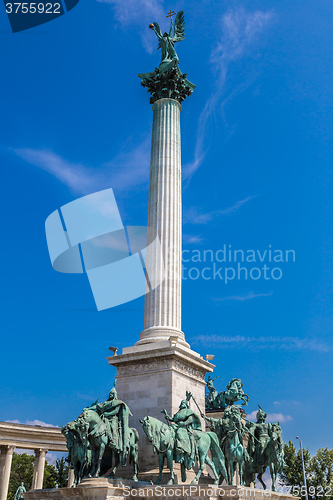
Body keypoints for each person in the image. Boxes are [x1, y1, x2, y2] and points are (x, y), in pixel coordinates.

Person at [84, 383, 132, 464]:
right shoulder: (105, 403)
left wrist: (107, 414)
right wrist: (88, 409)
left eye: (112, 393)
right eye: (110, 393)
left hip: (113, 419)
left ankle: (113, 441)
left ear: (115, 395)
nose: (111, 395)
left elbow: (116, 411)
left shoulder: (117, 402)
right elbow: (96, 406)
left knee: (112, 428)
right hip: (104, 419)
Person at [162, 398, 201, 468]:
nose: (182, 404)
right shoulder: (179, 412)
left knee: (179, 433)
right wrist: (168, 417)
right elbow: (174, 419)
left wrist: (183, 423)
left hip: (185, 427)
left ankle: (181, 450)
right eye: (182, 403)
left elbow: (190, 420)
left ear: (186, 405)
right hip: (177, 426)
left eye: (184, 403)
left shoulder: (188, 411)